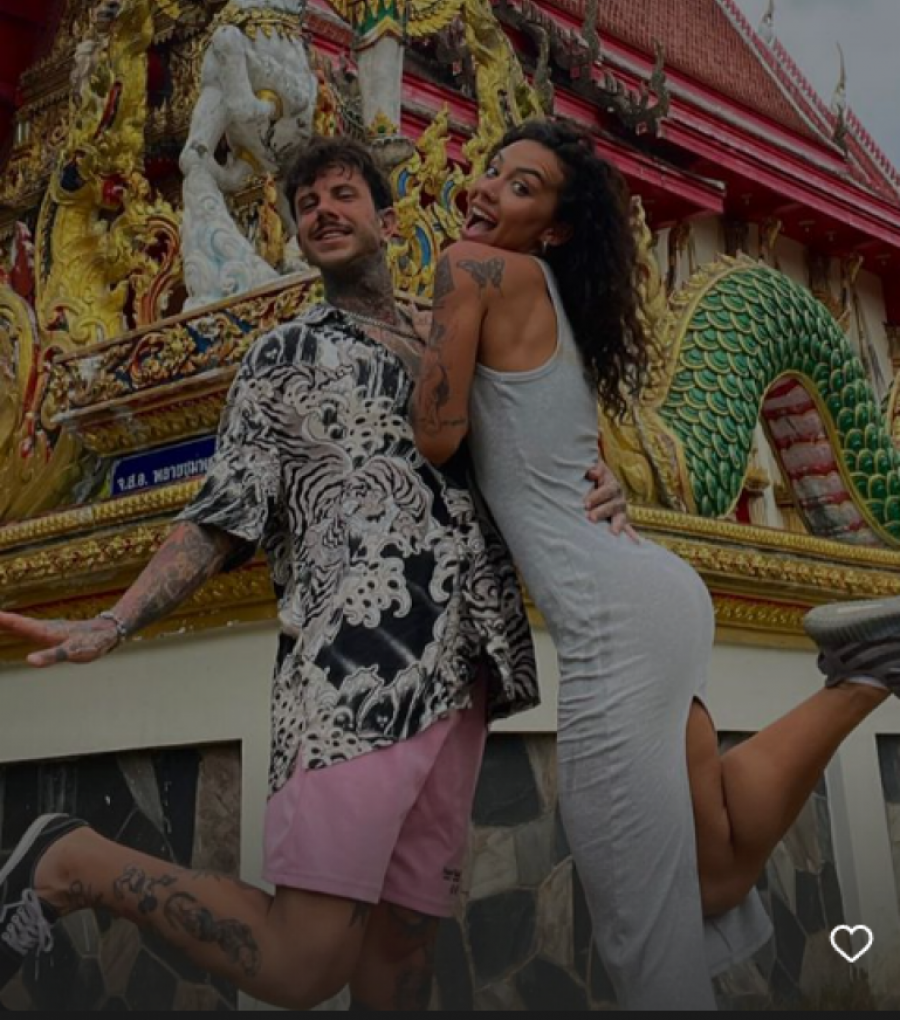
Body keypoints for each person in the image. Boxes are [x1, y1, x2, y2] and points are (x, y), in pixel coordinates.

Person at [0, 136, 628, 1012]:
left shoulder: (456, 331)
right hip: (355, 673)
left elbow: (536, 443)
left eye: (343, 195)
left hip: (464, 669)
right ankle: (72, 858)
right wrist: (114, 620)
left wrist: (608, 481)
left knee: (404, 956)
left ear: (387, 220)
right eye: (307, 205)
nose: (324, 212)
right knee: (301, 963)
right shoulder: (283, 356)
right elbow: (223, 514)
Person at [409, 118, 900, 1011]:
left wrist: (416, 332)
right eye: (492, 169)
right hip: (656, 592)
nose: (483, 188)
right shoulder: (557, 305)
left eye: (520, 186)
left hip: (616, 629)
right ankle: (869, 671)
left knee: (645, 945)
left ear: (555, 227)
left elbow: (435, 436)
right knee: (713, 869)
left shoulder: (468, 270)